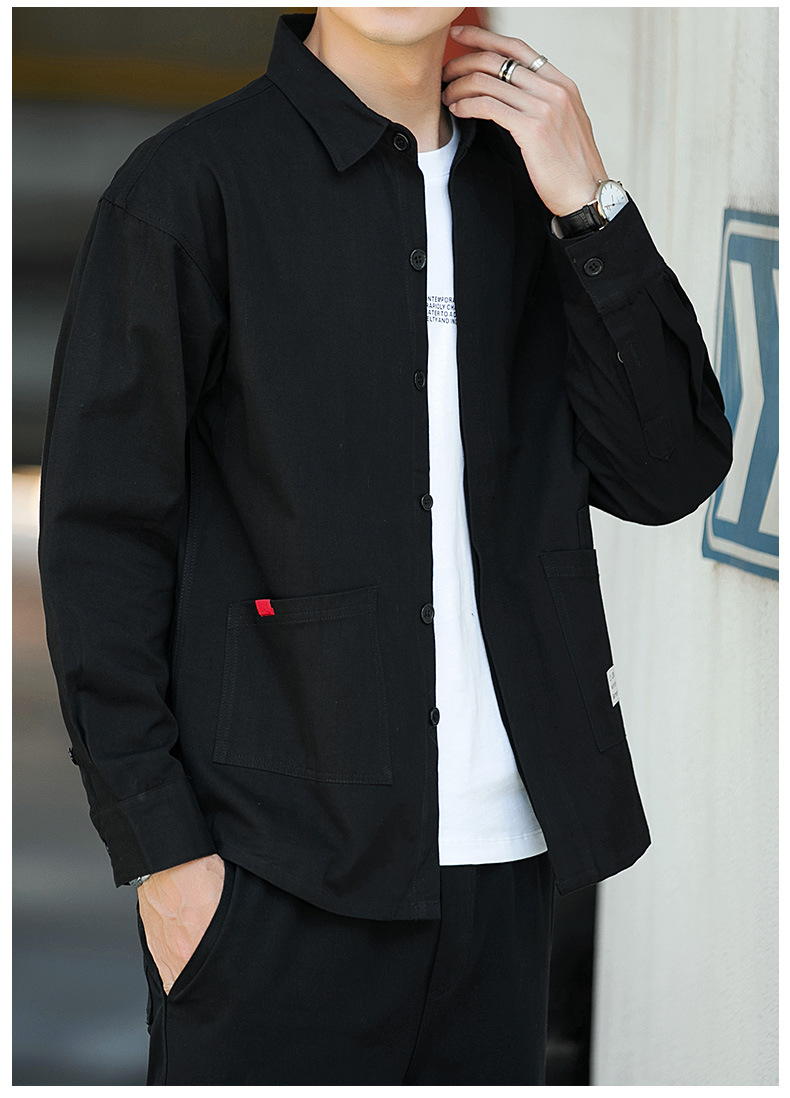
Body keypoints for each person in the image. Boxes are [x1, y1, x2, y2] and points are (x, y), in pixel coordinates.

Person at [38, 7, 733, 1086]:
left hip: (503, 876)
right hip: (267, 879)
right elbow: (101, 543)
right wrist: (165, 855)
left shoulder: (530, 189)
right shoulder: (189, 187)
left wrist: (591, 204)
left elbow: (667, 472)